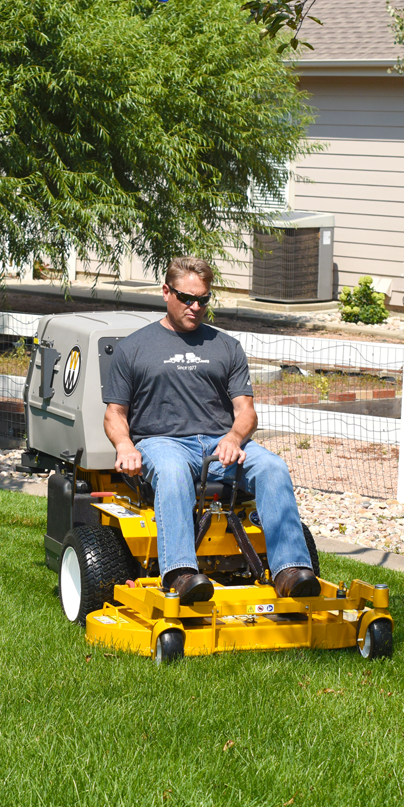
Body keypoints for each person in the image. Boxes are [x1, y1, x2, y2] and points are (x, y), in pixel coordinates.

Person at [102, 256, 320, 604]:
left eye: (203, 299)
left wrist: (235, 438)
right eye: (186, 298)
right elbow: (114, 414)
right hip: (163, 443)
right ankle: (180, 574)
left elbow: (246, 411)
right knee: (173, 473)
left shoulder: (226, 347)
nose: (195, 306)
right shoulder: (134, 348)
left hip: (220, 444)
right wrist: (126, 446)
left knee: (272, 467)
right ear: (165, 292)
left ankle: (290, 571)